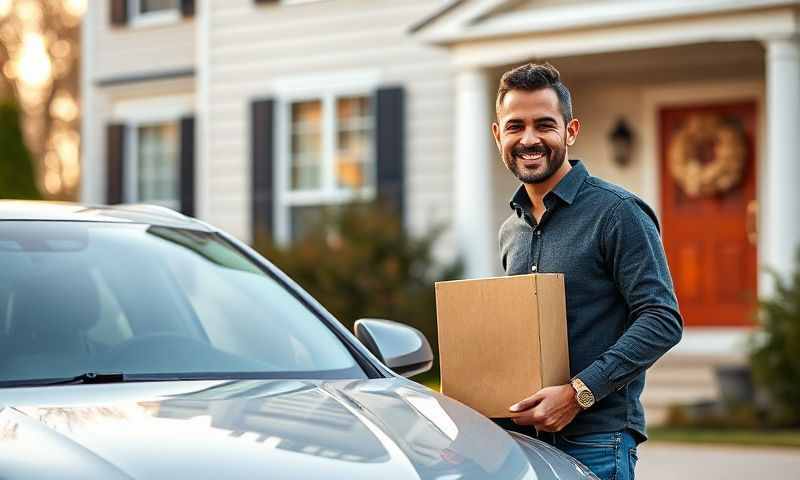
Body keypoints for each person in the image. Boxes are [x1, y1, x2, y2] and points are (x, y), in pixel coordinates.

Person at [492, 62, 683, 480]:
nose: (528, 139)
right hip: (523, 444)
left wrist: (579, 393)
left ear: (571, 131)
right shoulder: (511, 230)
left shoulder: (618, 213)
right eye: (515, 126)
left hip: (598, 441)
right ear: (498, 135)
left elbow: (662, 319)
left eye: (544, 125)